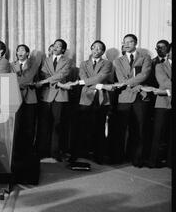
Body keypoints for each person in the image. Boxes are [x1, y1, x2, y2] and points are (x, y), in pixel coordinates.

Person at [67, 40, 113, 164]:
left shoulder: (107, 63)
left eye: (99, 49)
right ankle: (77, 154)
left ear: (103, 52)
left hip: (100, 99)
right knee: (80, 128)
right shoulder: (83, 63)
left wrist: (83, 83)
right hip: (85, 97)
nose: (96, 50)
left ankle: (99, 156)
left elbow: (100, 77)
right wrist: (100, 86)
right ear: (91, 49)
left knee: (99, 128)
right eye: (94, 48)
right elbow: (83, 77)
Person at [112, 34, 152, 167]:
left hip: (140, 98)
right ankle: (118, 158)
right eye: (125, 42)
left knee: (139, 129)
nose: (127, 44)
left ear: (135, 43)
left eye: (130, 42)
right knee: (121, 129)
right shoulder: (118, 61)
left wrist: (128, 83)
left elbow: (144, 74)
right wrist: (136, 84)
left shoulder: (145, 57)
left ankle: (137, 159)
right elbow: (120, 78)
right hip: (124, 97)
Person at [35, 39, 73, 162]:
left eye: (59, 46)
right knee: (44, 124)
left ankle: (55, 152)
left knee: (57, 124)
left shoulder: (67, 61)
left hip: (60, 96)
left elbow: (62, 75)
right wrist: (51, 80)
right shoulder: (46, 60)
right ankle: (43, 151)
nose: (56, 47)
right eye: (55, 45)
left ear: (63, 49)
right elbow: (44, 73)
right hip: (47, 95)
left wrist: (46, 81)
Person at [11, 44, 39, 159]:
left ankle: (28, 149)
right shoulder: (11, 65)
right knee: (17, 124)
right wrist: (24, 81)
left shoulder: (33, 64)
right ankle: (17, 149)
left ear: (27, 53)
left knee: (29, 125)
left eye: (22, 50)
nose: (20, 52)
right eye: (18, 50)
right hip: (16, 97)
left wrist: (20, 81)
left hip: (30, 97)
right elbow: (10, 78)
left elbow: (30, 78)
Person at [146, 40, 172, 168]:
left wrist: (166, 91)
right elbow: (165, 83)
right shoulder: (160, 66)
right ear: (169, 51)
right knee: (158, 133)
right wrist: (166, 91)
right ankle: (153, 161)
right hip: (162, 103)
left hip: (165, 97)